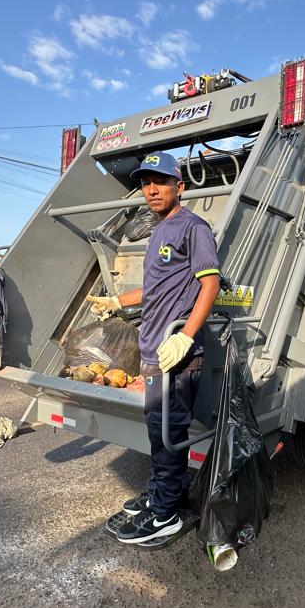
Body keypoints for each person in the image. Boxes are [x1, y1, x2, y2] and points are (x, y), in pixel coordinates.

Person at [86, 151, 220, 544]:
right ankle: (165, 494)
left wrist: (185, 336)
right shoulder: (159, 230)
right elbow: (155, 289)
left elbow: (209, 285)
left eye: (160, 181)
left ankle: (166, 515)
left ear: (180, 186)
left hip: (175, 355)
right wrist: (118, 302)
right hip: (153, 350)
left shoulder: (193, 227)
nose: (151, 189)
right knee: (159, 433)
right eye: (146, 183)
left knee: (166, 433)